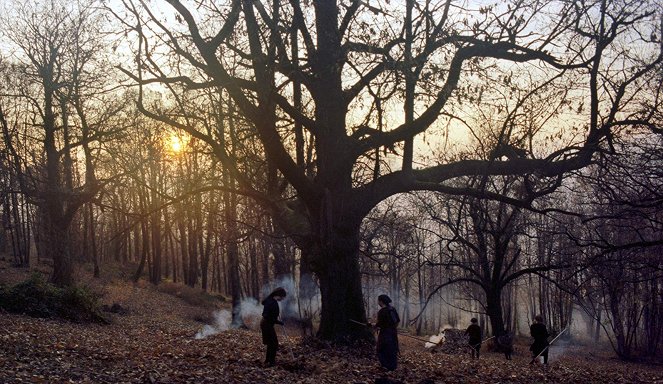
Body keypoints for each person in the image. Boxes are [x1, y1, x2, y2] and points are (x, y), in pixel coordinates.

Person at [261, 287, 286, 367]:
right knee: (274, 343)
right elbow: (266, 315)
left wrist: (276, 320)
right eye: (282, 297)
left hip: (267, 324)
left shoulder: (272, 300)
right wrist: (277, 321)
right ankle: (271, 362)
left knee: (271, 343)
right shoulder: (270, 301)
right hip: (266, 324)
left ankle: (268, 360)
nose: (282, 299)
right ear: (278, 295)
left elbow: (271, 315)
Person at [375, 294, 400, 371]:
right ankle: (392, 366)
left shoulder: (382, 311)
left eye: (378, 301)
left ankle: (386, 366)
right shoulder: (393, 309)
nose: (378, 302)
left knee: (381, 349)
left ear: (381, 301)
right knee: (392, 348)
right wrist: (393, 328)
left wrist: (374, 325)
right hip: (393, 333)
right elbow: (397, 321)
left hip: (385, 333)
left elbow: (379, 324)